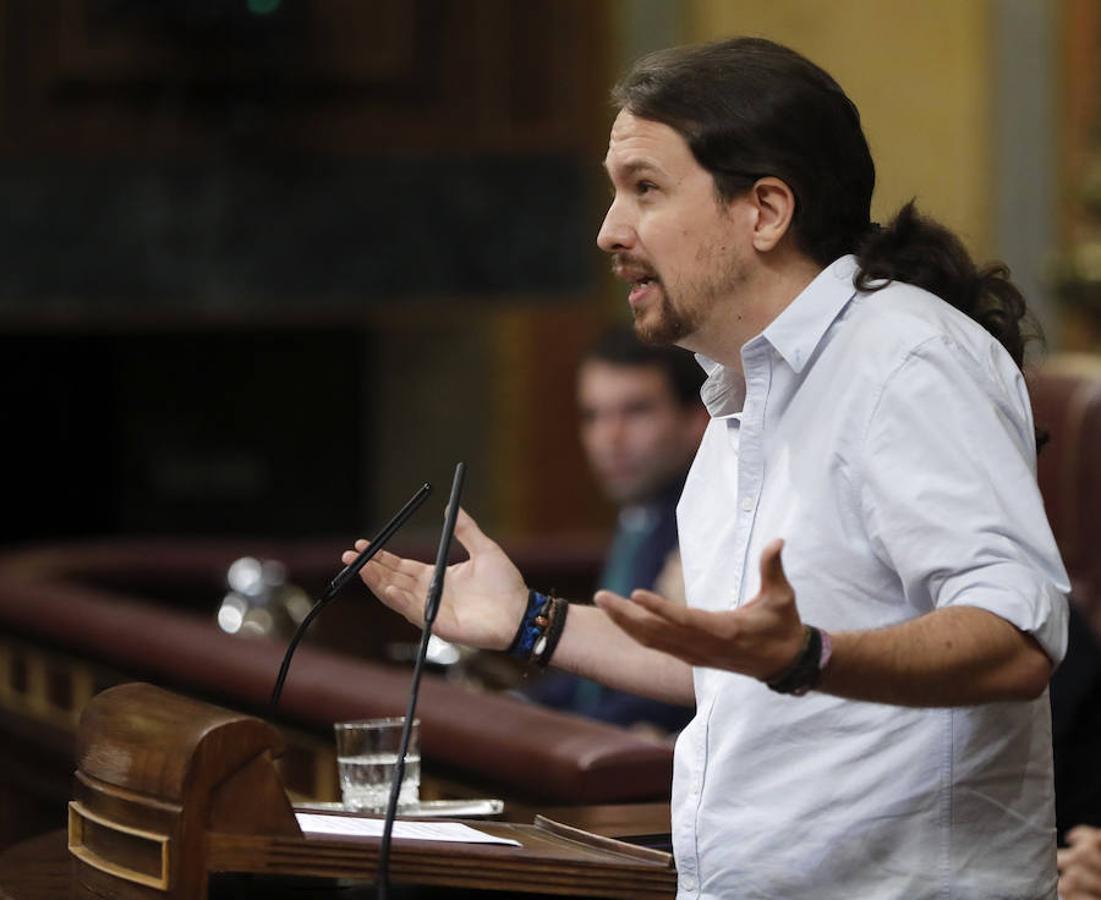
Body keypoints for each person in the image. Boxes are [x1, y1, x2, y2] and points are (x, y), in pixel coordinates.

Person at [346, 37, 1069, 899]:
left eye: (644, 189)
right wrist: (528, 622)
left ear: (762, 210)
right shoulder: (738, 391)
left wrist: (806, 654)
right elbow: (728, 663)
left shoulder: (905, 360)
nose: (609, 231)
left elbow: (1016, 636)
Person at [522, 326, 707, 732]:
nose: (610, 438)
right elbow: (598, 674)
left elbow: (674, 685)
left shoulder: (703, 523)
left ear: (698, 419)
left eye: (636, 411)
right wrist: (516, 706)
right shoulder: (642, 514)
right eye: (593, 415)